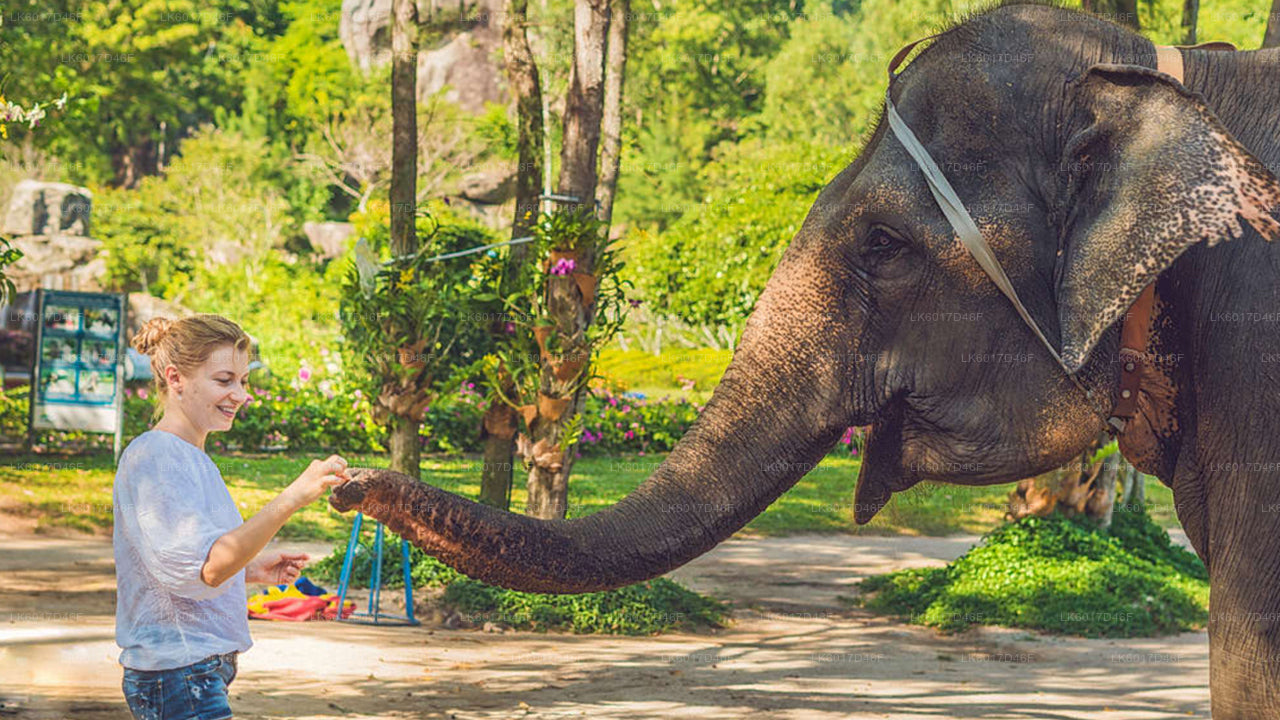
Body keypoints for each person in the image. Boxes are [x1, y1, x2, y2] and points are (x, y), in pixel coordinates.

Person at [113, 314, 349, 720]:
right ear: (175, 378)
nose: (240, 395)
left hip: (191, 672)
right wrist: (292, 497)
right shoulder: (156, 456)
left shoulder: (187, 456)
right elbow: (209, 567)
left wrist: (248, 569)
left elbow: (191, 562)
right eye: (224, 380)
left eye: (243, 381)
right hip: (179, 674)